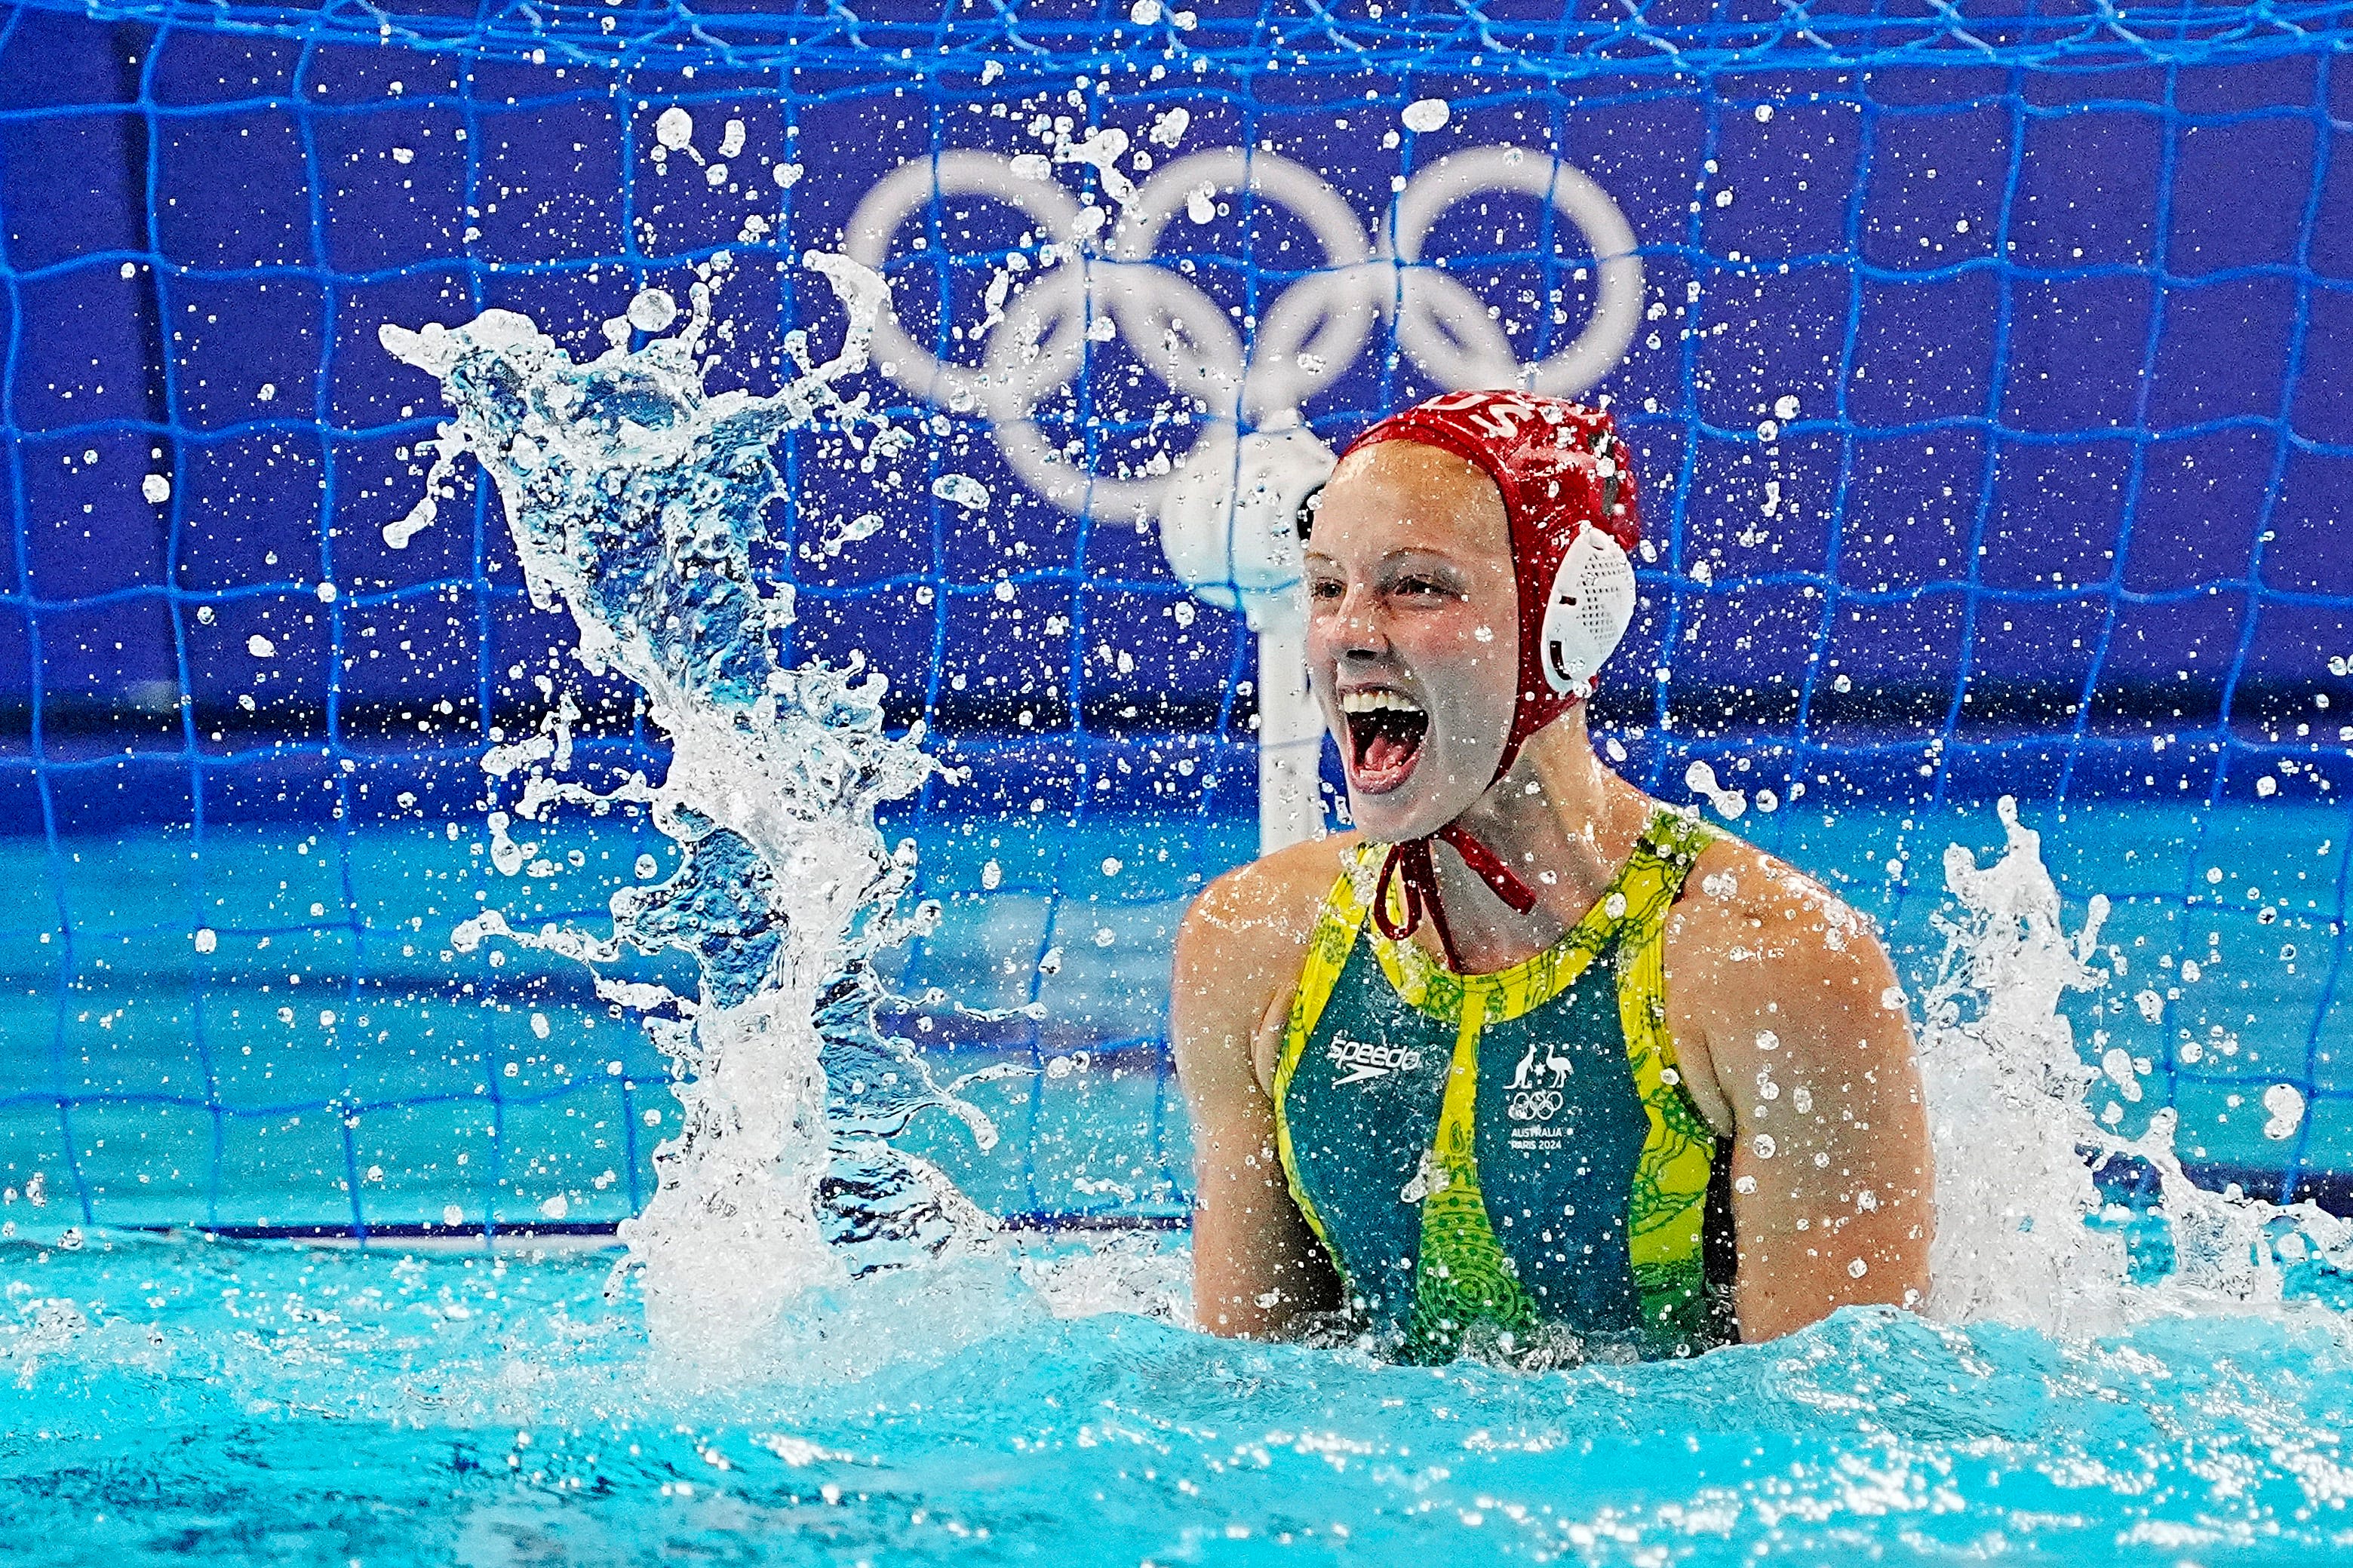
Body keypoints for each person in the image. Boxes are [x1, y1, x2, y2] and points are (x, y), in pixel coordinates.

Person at [1171, 390, 1932, 1364]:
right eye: (1326, 587)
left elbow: (1841, 1442)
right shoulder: (1254, 948)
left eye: (1416, 586)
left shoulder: (1775, 972)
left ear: (1567, 618)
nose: (1350, 633)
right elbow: (1245, 1404)